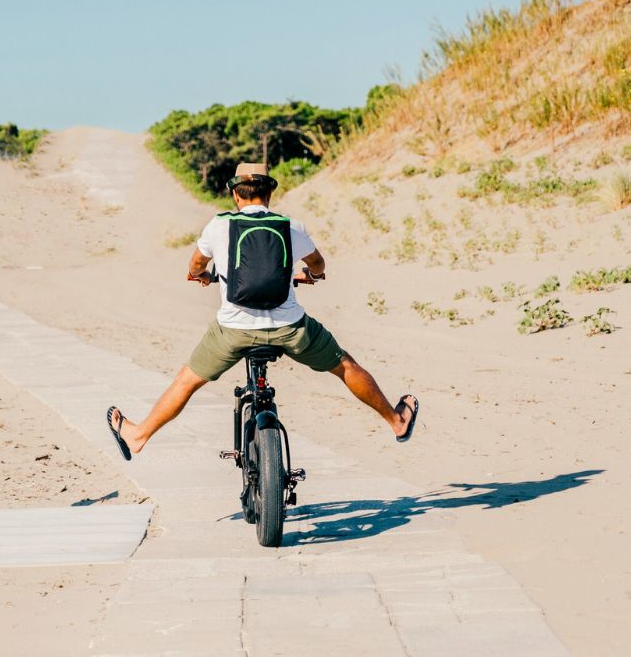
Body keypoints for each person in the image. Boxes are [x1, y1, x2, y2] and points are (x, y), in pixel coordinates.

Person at [106, 162, 418, 461]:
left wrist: (202, 275)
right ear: (269, 194)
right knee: (345, 366)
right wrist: (310, 276)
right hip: (290, 329)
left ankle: (139, 435)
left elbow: (195, 265)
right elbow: (318, 264)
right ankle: (396, 421)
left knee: (186, 380)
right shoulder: (290, 226)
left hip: (233, 332)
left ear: (235, 194)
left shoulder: (219, 225)